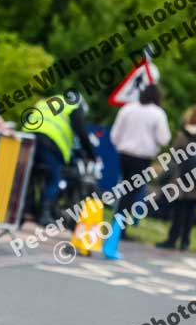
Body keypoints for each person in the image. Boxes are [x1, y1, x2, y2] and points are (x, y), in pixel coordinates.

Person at [23, 94, 96, 226]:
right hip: (50, 142)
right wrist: (91, 153)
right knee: (54, 178)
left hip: (28, 138)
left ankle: (23, 210)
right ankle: (44, 215)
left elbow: (29, 117)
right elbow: (80, 130)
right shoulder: (74, 106)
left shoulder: (46, 101)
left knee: (27, 176)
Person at [110, 84, 170, 238]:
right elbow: (164, 139)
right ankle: (119, 229)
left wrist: (121, 145)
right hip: (142, 158)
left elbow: (115, 134)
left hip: (124, 154)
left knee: (126, 189)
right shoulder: (157, 114)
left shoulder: (128, 109)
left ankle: (117, 226)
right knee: (131, 193)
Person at [156, 106, 196, 251]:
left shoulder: (184, 135)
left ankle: (172, 239)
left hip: (182, 179)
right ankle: (185, 242)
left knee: (178, 210)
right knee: (191, 211)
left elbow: (175, 155)